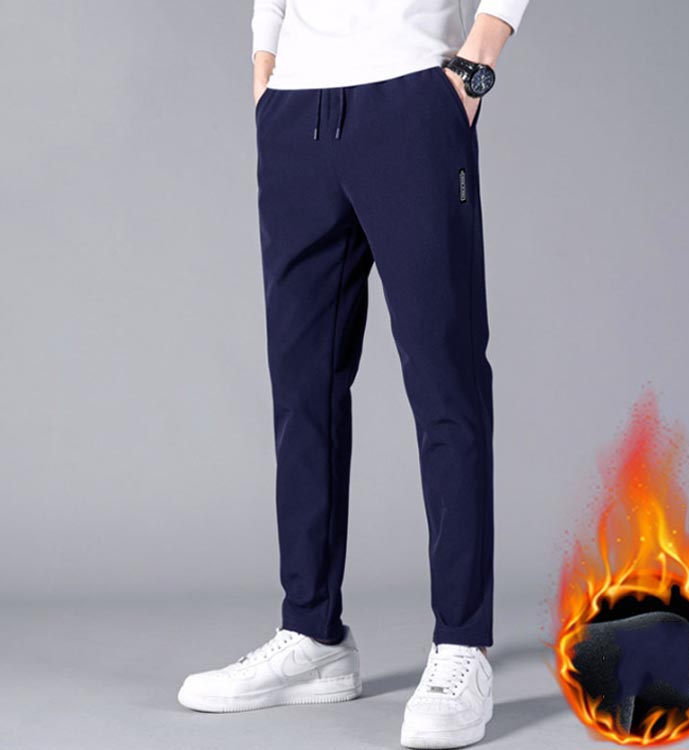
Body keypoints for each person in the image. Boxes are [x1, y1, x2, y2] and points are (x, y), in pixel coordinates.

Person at [178, 1, 530, 747]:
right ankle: (312, 635)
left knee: (446, 382)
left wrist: (478, 59)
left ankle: (462, 644)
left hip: (414, 96)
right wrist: (265, 62)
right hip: (295, 110)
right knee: (300, 387)